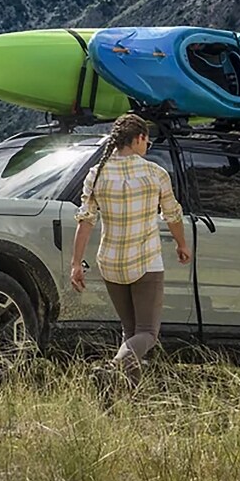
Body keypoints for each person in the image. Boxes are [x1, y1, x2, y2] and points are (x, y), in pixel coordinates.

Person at [70, 113, 191, 383]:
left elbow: (86, 220)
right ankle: (111, 371)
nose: (147, 147)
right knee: (147, 333)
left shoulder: (96, 174)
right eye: (146, 141)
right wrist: (182, 244)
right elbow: (172, 215)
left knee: (130, 332)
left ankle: (123, 397)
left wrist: (76, 263)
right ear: (138, 139)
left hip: (110, 263)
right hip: (146, 260)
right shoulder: (154, 173)